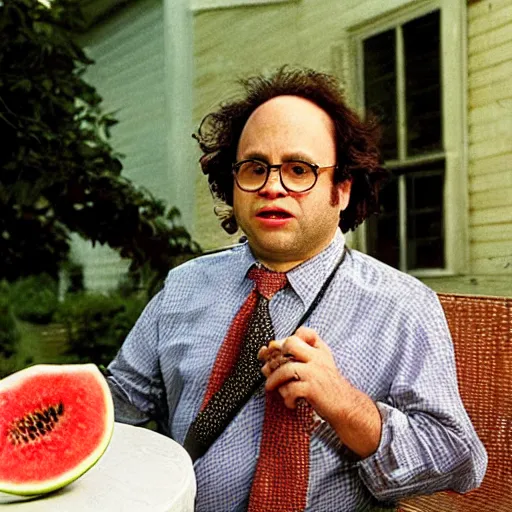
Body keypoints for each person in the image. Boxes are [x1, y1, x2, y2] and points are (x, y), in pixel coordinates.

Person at [106, 67, 487, 511]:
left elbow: (459, 459)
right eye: (254, 168)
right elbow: (120, 402)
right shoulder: (184, 285)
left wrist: (348, 408)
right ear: (233, 184)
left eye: (299, 169)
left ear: (342, 189)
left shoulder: (403, 305)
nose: (272, 186)